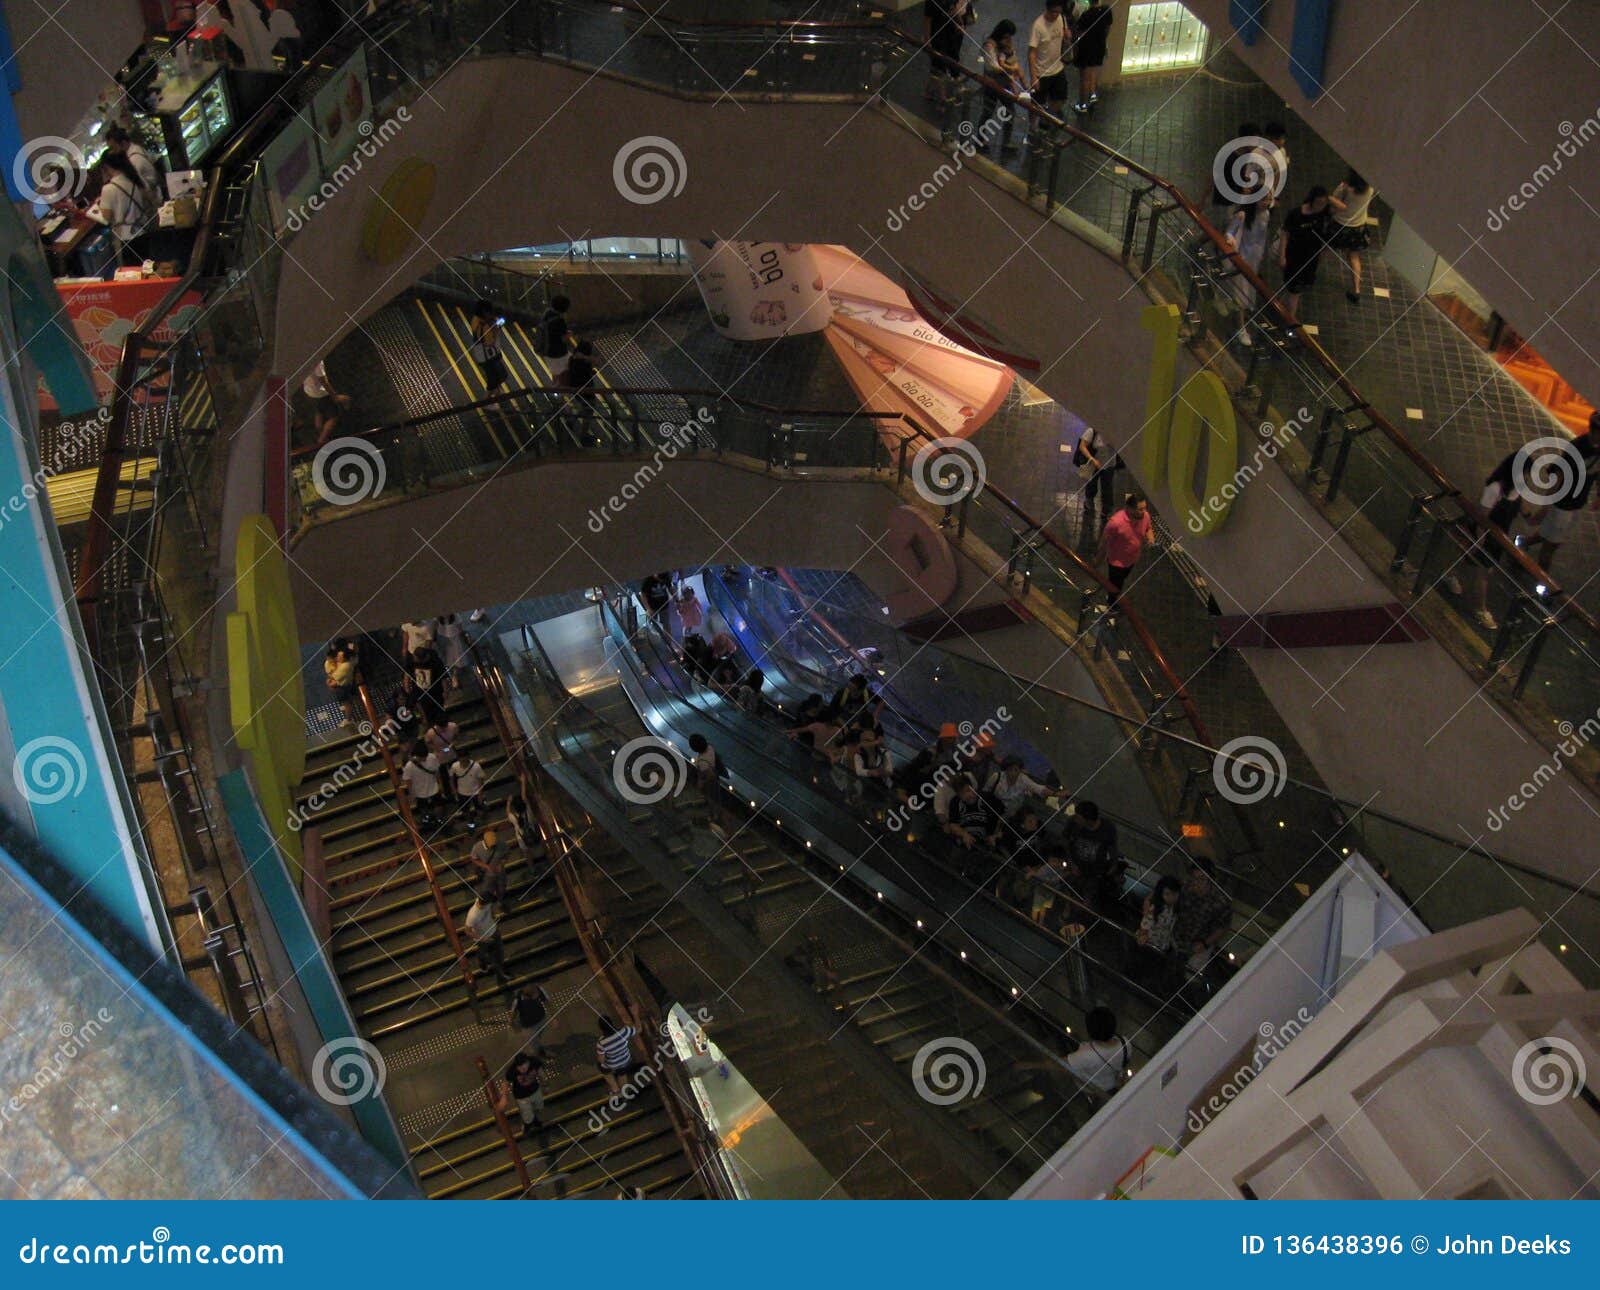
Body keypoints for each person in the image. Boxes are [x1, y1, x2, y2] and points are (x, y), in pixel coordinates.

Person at [1526, 419, 1600, 572]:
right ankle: (1542, 580)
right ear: (1593, 431)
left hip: (1577, 502)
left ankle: (1523, 543)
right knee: (1551, 546)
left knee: (1552, 535)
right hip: (1563, 504)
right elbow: (1558, 477)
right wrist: (1545, 507)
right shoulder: (1577, 448)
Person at [1276, 185, 1336, 329]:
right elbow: (1285, 234)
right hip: (1295, 256)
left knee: (1294, 290)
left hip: (1311, 258)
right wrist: (1282, 255)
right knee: (1294, 291)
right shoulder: (1296, 214)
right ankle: (1290, 321)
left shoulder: (1324, 214)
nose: (1321, 206)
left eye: (1324, 203)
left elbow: (1342, 208)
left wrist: (1328, 198)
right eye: (1319, 203)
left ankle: (1280, 307)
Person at [1222, 183, 1271, 347]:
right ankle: (1240, 328)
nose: (1267, 202)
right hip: (1242, 257)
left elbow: (1261, 238)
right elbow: (1230, 232)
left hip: (1254, 260)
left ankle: (1238, 319)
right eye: (1264, 199)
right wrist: (1230, 239)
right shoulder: (1242, 215)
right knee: (1241, 295)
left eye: (1269, 199)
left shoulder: (1266, 215)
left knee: (1245, 292)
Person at [91, 152, 154, 267]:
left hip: (125, 238)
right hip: (143, 230)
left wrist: (94, 211)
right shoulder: (136, 178)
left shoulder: (108, 189)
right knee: (147, 266)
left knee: (133, 272)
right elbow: (148, 199)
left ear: (107, 167)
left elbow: (106, 218)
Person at [1172, 858, 1233, 975]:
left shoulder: (1221, 901)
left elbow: (1223, 927)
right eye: (1194, 878)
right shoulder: (1186, 888)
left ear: (1210, 879)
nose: (1196, 883)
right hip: (1178, 937)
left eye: (1201, 879)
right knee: (1173, 966)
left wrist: (1205, 944)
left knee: (1191, 976)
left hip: (1199, 944)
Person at [1096, 494, 1153, 609]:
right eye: (1140, 509)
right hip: (1116, 563)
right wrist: (1098, 559)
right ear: (1130, 509)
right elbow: (1104, 542)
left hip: (1132, 559)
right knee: (1115, 586)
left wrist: (1151, 537)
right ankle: (1112, 606)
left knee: (1121, 580)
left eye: (1145, 508)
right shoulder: (1115, 523)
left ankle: (1112, 597)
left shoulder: (1145, 516)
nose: (1144, 511)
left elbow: (1148, 528)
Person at [1329, 169, 1376, 301]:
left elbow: (1336, 205)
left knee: (1324, 250)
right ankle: (1356, 289)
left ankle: (1311, 275)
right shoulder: (1370, 188)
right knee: (1354, 257)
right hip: (1358, 227)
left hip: (1340, 225)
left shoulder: (1344, 188)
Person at [1063, 801, 1122, 906]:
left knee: (1089, 895)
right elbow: (1066, 841)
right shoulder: (1073, 823)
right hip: (1075, 865)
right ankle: (1068, 907)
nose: (1076, 819)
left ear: (1088, 820)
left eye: (1079, 818)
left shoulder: (1107, 828)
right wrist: (1071, 862)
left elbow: (1112, 847)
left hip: (1094, 871)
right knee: (1070, 889)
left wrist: (1114, 864)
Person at [979, 20, 1024, 155]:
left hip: (1004, 84)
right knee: (988, 112)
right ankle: (980, 140)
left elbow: (1012, 57)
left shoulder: (1005, 44)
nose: (1009, 39)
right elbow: (992, 66)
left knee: (1010, 111)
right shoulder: (990, 45)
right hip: (992, 83)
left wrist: (1010, 56)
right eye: (1007, 36)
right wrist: (1010, 68)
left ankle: (1006, 142)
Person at [1062, 1006, 1128, 1098]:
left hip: (1093, 1089)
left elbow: (1062, 1063)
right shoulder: (1125, 1043)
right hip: (1112, 1084)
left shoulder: (1085, 1055)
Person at [923, 0, 974, 102]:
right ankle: (942, 98)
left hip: (948, 35)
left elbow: (953, 11)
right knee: (939, 66)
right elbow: (927, 20)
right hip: (936, 37)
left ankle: (928, 92)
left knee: (939, 66)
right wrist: (928, 41)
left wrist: (959, 24)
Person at [1028, 0, 1071, 118]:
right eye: (1053, 12)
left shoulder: (1061, 18)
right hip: (1042, 72)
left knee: (1061, 98)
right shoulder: (1038, 25)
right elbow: (1031, 52)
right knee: (1036, 104)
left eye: (1058, 12)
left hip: (1058, 68)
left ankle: (1048, 118)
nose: (1055, 15)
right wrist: (1033, 77)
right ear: (1047, 9)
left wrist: (1067, 36)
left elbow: (1065, 37)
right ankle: (1033, 127)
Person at [1070, 0, 1112, 114]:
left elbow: (1078, 33)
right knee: (1093, 71)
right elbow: (1107, 28)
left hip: (1086, 49)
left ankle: (1082, 105)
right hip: (1099, 47)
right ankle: (1092, 95)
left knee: (1084, 78)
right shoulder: (1107, 10)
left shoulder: (1086, 15)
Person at [1073, 425, 1119, 528]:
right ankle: (1089, 500)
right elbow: (1082, 446)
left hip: (1109, 465)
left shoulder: (1117, 432)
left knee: (1107, 488)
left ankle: (1106, 510)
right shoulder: (1092, 431)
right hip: (1094, 465)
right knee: (1091, 483)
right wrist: (1092, 459)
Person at [463, 894, 511, 991]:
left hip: (494, 931)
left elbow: (490, 909)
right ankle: (483, 962)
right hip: (483, 938)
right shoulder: (473, 915)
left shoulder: (486, 903)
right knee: (483, 952)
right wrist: (481, 938)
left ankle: (501, 969)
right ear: (484, 903)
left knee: (499, 952)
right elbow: (467, 931)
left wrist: (493, 917)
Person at [104, 125, 160, 204]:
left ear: (123, 143)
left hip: (154, 198)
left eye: (113, 148)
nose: (112, 152)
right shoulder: (136, 147)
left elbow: (142, 188)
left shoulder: (133, 161)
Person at [942, 775, 1001, 849]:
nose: (968, 795)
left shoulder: (988, 798)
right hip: (964, 842)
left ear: (972, 787)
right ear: (958, 794)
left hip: (986, 843)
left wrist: (995, 835)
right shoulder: (955, 802)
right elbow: (953, 824)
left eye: (968, 790)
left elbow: (1000, 819)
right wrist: (964, 834)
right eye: (962, 793)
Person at [302, 360, 351, 446]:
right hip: (320, 392)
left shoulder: (305, 358)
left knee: (319, 412)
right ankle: (322, 439)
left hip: (309, 391)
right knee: (334, 417)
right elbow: (324, 381)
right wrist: (334, 396)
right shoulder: (317, 361)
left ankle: (320, 435)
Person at [468, 299, 508, 394]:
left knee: (495, 375)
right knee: (497, 376)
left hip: (480, 353)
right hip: (488, 355)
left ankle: (496, 392)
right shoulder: (486, 326)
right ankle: (488, 401)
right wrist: (496, 328)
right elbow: (490, 342)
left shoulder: (475, 319)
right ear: (485, 312)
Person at [400, 742, 444, 828]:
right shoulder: (409, 766)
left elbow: (437, 772)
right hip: (419, 792)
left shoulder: (432, 757)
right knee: (423, 808)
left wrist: (440, 784)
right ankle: (427, 820)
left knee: (439, 806)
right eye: (422, 757)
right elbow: (408, 781)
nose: (424, 759)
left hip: (433, 787)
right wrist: (412, 794)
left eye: (425, 756)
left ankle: (439, 820)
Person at [504, 1050, 545, 1138]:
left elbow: (540, 1072)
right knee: (527, 1114)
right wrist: (504, 1097)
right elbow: (506, 1083)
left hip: (535, 1090)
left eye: (524, 1065)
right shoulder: (512, 1071)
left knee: (538, 1107)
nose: (522, 1068)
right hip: (522, 1096)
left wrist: (544, 1084)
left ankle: (535, 1121)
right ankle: (527, 1126)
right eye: (519, 1066)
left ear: (528, 1062)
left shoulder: (534, 1062)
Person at [595, 1015, 637, 1093]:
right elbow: (639, 1029)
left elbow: (601, 1060)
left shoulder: (601, 1042)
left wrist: (602, 1063)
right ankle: (625, 1092)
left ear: (601, 1028)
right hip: (626, 1060)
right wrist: (635, 1014)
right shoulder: (624, 1031)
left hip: (612, 1064)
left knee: (601, 1066)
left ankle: (615, 1088)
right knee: (622, 1073)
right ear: (612, 1023)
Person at [323, 645, 360, 729]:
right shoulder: (343, 662)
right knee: (344, 701)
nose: (337, 657)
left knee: (347, 702)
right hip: (341, 684)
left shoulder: (345, 666)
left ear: (345, 658)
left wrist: (330, 682)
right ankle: (346, 707)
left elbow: (334, 678)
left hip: (343, 686)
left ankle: (348, 719)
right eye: (337, 656)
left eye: (339, 656)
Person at [540, 294, 573, 379]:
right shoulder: (560, 321)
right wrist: (568, 335)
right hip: (558, 353)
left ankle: (556, 389)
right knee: (563, 373)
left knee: (555, 372)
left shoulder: (546, 313)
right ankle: (560, 389)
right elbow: (562, 338)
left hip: (546, 350)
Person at [451, 751, 488, 824]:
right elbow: (451, 779)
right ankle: (470, 823)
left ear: (468, 757)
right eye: (461, 760)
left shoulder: (476, 766)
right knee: (465, 811)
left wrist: (480, 794)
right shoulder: (454, 766)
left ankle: (483, 821)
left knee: (479, 809)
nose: (463, 762)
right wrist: (455, 792)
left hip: (476, 792)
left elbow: (481, 780)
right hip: (462, 792)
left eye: (465, 760)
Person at [266, 0, 303, 71]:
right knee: (287, 44)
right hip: (285, 12)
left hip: (286, 12)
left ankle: (294, 67)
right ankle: (291, 65)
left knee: (290, 43)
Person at [435, 611, 466, 691]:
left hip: (455, 640)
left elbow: (460, 628)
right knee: (448, 660)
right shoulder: (438, 618)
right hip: (444, 641)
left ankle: (454, 676)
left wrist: (462, 636)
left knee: (457, 659)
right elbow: (436, 628)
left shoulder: (455, 616)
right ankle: (454, 676)